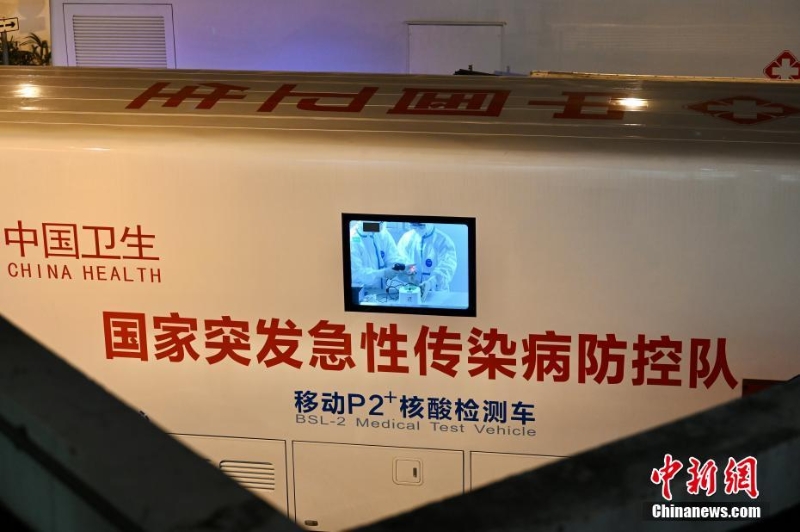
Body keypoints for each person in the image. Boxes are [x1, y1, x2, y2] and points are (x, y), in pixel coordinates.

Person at [397, 223, 457, 301]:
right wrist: (408, 274)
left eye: (421, 225)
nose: (417, 227)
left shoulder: (443, 241)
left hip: (437, 292)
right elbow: (401, 260)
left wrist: (431, 283)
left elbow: (446, 267)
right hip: (412, 291)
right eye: (414, 225)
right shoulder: (407, 238)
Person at [349, 221, 407, 291]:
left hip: (381, 290)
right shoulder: (353, 239)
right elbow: (356, 274)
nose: (381, 225)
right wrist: (383, 273)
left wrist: (400, 267)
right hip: (362, 291)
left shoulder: (383, 233)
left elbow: (392, 256)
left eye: (382, 222)